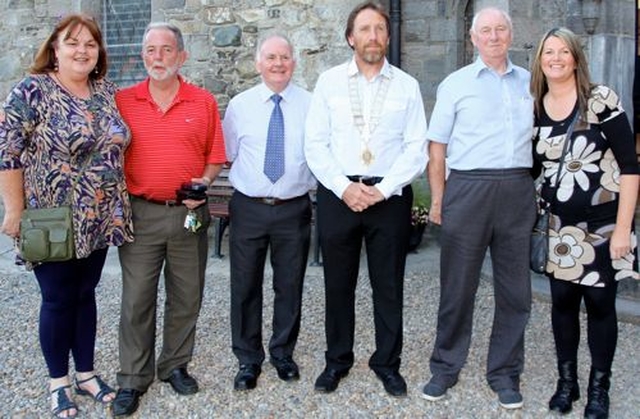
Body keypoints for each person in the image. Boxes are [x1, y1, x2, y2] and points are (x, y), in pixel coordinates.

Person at [0, 14, 133, 419]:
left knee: (85, 294)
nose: (82, 50)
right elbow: (7, 152)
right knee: (58, 299)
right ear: (54, 48)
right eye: (72, 42)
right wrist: (14, 211)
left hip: (99, 215)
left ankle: (87, 374)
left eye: (90, 44)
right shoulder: (32, 90)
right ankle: (58, 382)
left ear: (99, 53)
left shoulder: (106, 90)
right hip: (51, 218)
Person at [305, 1, 427, 398]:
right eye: (364, 29)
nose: (372, 36)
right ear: (350, 37)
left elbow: (416, 147)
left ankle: (387, 364)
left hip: (388, 197)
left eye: (379, 29)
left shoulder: (406, 86)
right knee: (338, 284)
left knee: (388, 285)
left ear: (387, 37)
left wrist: (383, 187)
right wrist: (345, 187)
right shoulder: (328, 82)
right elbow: (315, 143)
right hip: (339, 194)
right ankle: (337, 360)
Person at [420, 7, 536, 410]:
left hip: (517, 189)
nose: (493, 36)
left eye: (500, 29)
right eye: (485, 30)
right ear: (472, 38)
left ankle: (504, 372)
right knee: (458, 286)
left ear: (511, 33)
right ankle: (445, 367)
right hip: (467, 189)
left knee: (515, 290)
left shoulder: (529, 83)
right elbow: (437, 147)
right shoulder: (456, 84)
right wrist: (438, 198)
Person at [111, 22, 226, 416]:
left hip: (188, 216)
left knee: (186, 297)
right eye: (150, 50)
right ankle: (132, 378)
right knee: (137, 299)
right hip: (140, 215)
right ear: (142, 55)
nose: (157, 57)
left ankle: (175, 365)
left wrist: (205, 182)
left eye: (165, 50)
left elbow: (215, 157)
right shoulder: (122, 101)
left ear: (181, 56)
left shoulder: (203, 102)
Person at [530, 27, 639, 418]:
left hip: (603, 228)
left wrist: (624, 229)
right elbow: (532, 169)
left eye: (563, 52)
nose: (555, 58)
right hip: (559, 228)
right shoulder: (537, 106)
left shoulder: (600, 100)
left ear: (576, 57)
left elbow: (630, 167)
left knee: (599, 306)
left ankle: (598, 389)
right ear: (540, 60)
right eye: (548, 53)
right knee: (561, 304)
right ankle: (567, 384)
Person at [222, 33, 315, 391]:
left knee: (289, 284)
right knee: (245, 285)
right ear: (258, 63)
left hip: (293, 208)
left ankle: (282, 353)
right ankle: (248, 359)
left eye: (285, 57)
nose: (278, 64)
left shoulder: (311, 104)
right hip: (249, 207)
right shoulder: (240, 105)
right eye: (271, 57)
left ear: (294, 62)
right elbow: (229, 153)